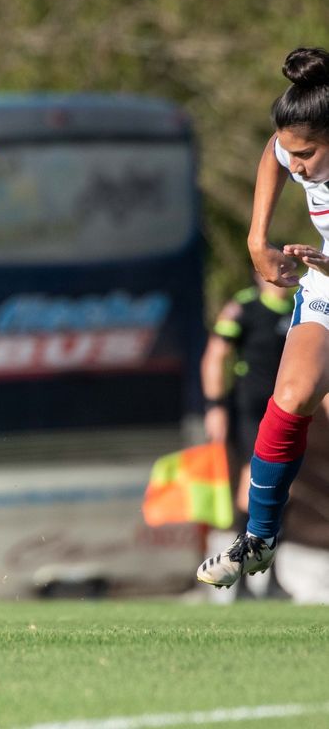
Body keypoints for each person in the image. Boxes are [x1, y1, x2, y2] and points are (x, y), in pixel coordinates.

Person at [198, 47, 329, 588]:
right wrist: (257, 240)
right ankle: (259, 539)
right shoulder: (291, 148)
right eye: (292, 151)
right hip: (325, 281)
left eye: (308, 154)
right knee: (292, 395)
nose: (295, 164)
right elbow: (271, 154)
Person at [200, 272, 294, 598]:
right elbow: (216, 355)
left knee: (284, 489)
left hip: (287, 411)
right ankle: (240, 579)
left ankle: (272, 579)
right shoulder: (243, 309)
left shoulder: (300, 307)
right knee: (250, 486)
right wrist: (214, 406)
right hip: (250, 409)